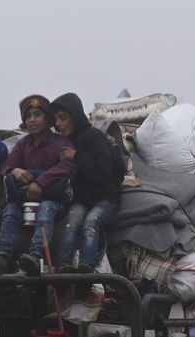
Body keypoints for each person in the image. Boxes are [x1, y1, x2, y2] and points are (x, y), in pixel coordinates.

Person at [0, 95, 76, 276]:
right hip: (26, 200)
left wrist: (40, 182)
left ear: (47, 118)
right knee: (10, 210)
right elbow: (5, 167)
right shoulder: (22, 145)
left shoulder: (62, 143)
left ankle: (36, 258)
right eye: (28, 116)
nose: (32, 120)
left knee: (45, 209)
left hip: (54, 199)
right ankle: (2, 257)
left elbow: (67, 167)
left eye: (37, 114)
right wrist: (14, 171)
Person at [51, 92, 125, 298]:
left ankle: (86, 272)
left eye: (63, 118)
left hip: (105, 198)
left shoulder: (93, 138)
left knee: (90, 224)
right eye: (55, 119)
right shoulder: (61, 143)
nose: (58, 124)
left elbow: (104, 173)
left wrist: (76, 157)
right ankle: (63, 271)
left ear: (75, 116)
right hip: (82, 199)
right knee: (71, 222)